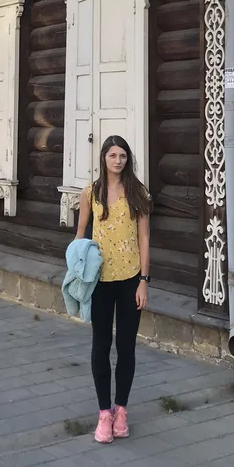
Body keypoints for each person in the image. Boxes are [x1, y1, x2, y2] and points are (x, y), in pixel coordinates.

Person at [74, 135, 151, 443]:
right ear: (104, 158)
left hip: (131, 280)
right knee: (101, 344)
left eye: (123, 156)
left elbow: (144, 238)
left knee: (127, 347)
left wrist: (145, 280)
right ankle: (104, 413)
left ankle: (122, 409)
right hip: (100, 282)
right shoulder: (90, 193)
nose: (118, 160)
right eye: (113, 155)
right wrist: (77, 274)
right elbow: (80, 236)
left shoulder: (138, 193)